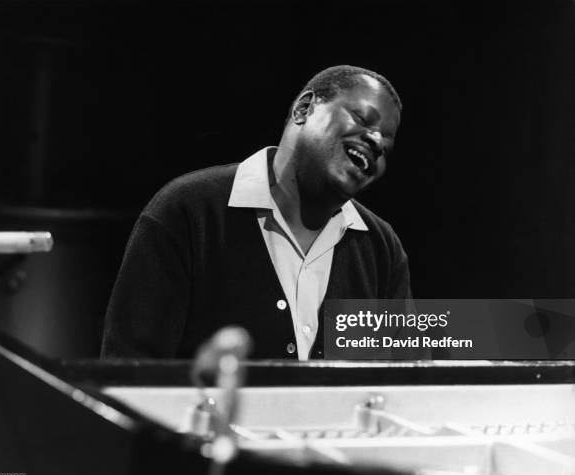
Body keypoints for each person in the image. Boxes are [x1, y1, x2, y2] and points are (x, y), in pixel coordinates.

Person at [101, 65, 412, 360]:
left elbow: (408, 379)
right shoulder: (188, 212)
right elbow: (131, 370)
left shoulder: (381, 248)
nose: (375, 141)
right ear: (304, 108)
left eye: (387, 144)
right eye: (362, 117)